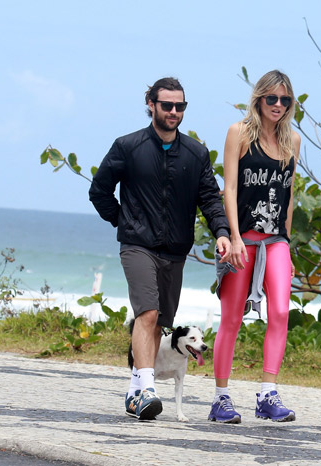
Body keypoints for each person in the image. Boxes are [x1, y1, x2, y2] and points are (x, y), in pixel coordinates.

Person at [89, 77, 231, 421]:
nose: (173, 111)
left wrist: (222, 232)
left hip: (175, 251)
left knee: (158, 323)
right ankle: (148, 389)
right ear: (151, 104)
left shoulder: (196, 153)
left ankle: (136, 390)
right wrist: (124, 222)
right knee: (147, 312)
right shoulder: (128, 146)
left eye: (179, 106)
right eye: (166, 105)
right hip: (137, 245)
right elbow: (99, 191)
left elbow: (210, 198)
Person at [209, 70, 300, 424]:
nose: (277, 105)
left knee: (279, 312)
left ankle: (267, 394)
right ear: (259, 98)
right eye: (271, 99)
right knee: (232, 317)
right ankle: (220, 399)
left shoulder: (293, 140)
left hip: (276, 241)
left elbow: (289, 196)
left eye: (285, 100)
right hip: (243, 239)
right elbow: (229, 188)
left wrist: (288, 245)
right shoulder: (239, 133)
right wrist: (232, 237)